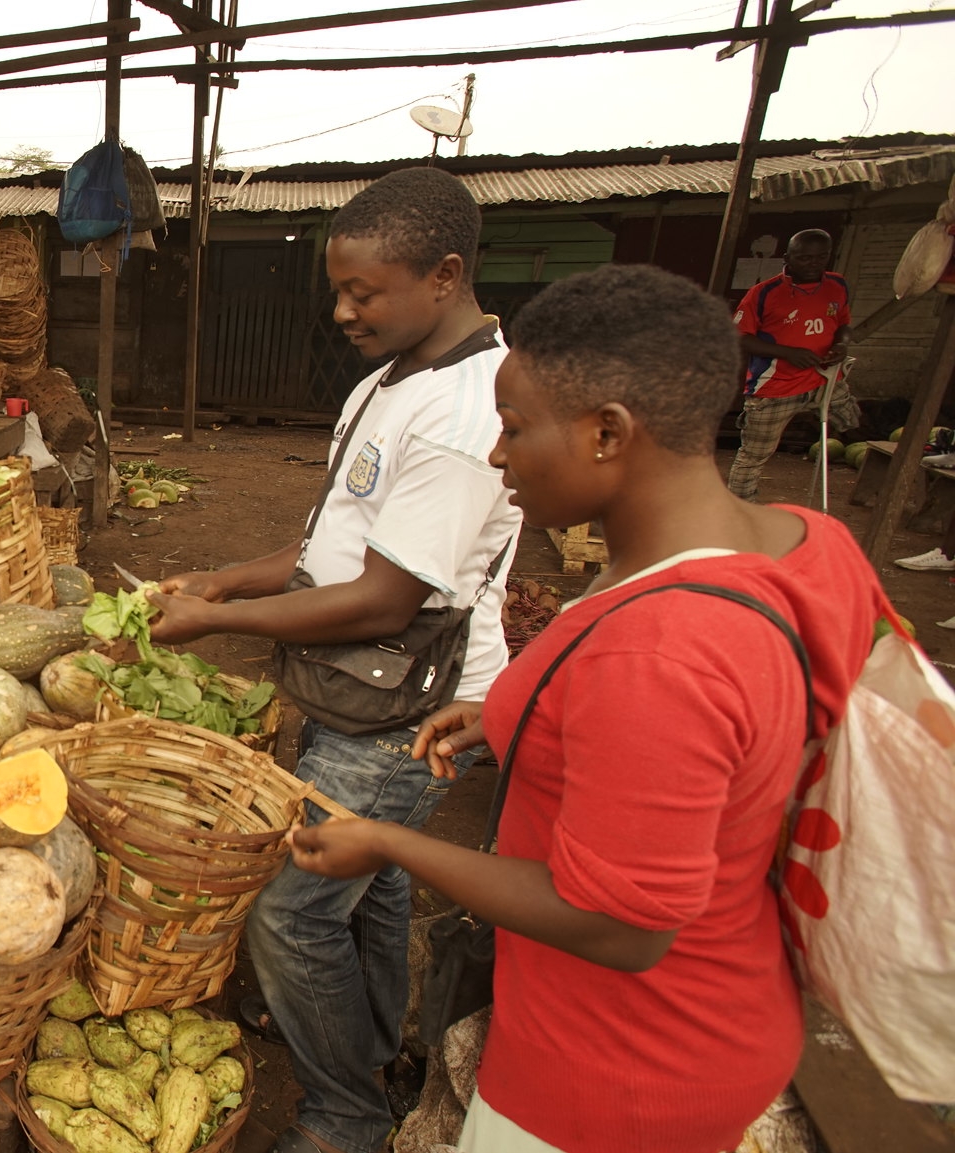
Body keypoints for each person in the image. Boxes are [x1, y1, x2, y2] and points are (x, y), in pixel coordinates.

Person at [287, 263, 884, 1153]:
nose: (495, 456)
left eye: (516, 430)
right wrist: (512, 717)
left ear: (608, 433)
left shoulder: (660, 653)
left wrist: (389, 841)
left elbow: (621, 924)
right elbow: (737, 734)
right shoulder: (810, 543)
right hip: (735, 995)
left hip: (612, 1069)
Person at [146, 166, 520, 1153]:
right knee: (373, 882)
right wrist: (227, 580)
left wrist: (223, 625)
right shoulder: (389, 381)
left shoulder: (463, 412)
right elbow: (333, 550)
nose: (343, 310)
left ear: (443, 276)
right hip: (356, 685)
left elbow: (385, 598)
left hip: (416, 702)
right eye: (338, 288)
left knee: (289, 906)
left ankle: (344, 1115)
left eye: (365, 291)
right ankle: (372, 1047)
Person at [726, 229, 866, 500]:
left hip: (823, 377)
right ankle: (741, 509)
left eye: (820, 257)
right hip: (775, 386)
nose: (812, 264)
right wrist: (787, 353)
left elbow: (844, 324)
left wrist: (841, 344)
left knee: (854, 421)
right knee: (753, 455)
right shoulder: (764, 293)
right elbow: (738, 336)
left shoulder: (837, 286)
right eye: (804, 258)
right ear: (787, 257)